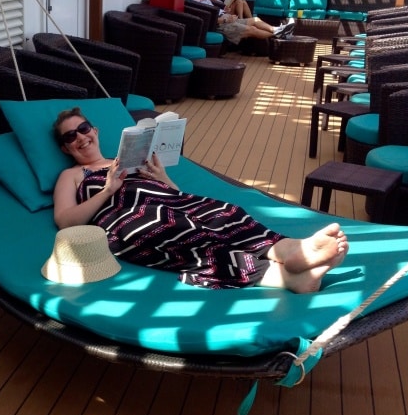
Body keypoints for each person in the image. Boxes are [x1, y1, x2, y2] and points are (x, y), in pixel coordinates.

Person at [51, 108, 349, 294]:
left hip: (168, 200)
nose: (80, 137)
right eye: (70, 137)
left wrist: (162, 177)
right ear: (66, 149)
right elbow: (64, 221)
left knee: (225, 212)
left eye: (83, 128)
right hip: (126, 219)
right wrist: (107, 189)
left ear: (95, 130)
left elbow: (176, 195)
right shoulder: (73, 175)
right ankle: (286, 276)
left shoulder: (125, 157)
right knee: (177, 229)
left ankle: (290, 251)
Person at [191, 0, 295, 44]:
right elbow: (208, 19)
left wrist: (227, 13)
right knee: (252, 29)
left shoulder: (207, 0)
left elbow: (220, 9)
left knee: (255, 19)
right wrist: (226, 19)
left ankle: (277, 30)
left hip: (228, 18)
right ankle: (281, 33)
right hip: (221, 25)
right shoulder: (196, 4)